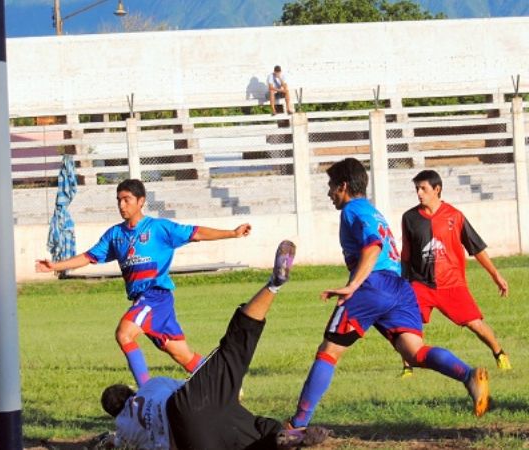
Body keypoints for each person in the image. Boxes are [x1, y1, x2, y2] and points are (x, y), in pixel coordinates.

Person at [285, 158, 491, 431]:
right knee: (415, 352)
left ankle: (297, 424)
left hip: (373, 285)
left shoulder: (351, 210)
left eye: (331, 186)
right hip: (399, 287)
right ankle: (468, 375)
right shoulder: (372, 211)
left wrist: (352, 285)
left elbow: (373, 246)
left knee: (328, 352)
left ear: (343, 186)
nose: (329, 192)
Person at [99, 241, 331, 450]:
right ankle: (274, 285)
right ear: (131, 392)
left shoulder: (122, 428)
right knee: (234, 347)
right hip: (183, 406)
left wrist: (108, 440)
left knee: (252, 434)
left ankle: (287, 439)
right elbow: (190, 384)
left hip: (189, 443)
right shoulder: (150, 388)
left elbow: (117, 443)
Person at [35, 179, 252, 387]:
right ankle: (226, 383)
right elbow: (89, 256)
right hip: (145, 300)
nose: (121, 205)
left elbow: (196, 233)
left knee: (124, 334)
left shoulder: (159, 228)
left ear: (141, 201)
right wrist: (55, 266)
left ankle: (146, 392)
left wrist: (232, 233)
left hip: (155, 296)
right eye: (118, 199)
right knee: (181, 354)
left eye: (127, 199)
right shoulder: (115, 234)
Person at [398, 170, 510, 378]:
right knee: (406, 324)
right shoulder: (409, 218)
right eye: (417, 189)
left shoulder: (454, 216)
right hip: (420, 284)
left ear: (437, 189)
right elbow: (406, 254)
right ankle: (407, 367)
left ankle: (499, 353)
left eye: (423, 188)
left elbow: (476, 248)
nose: (419, 193)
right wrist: (403, 283)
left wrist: (496, 275)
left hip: (452, 284)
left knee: (475, 324)